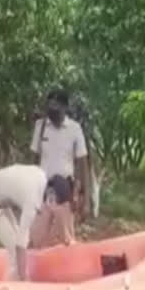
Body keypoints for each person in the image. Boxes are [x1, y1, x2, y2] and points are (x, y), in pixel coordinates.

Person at [0, 164, 59, 281]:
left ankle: (16, 282)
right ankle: (14, 289)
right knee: (15, 251)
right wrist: (25, 280)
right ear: (51, 197)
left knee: (16, 242)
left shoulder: (42, 176)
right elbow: (20, 245)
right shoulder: (32, 201)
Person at [30, 89, 90, 243]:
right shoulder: (40, 127)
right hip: (43, 190)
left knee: (66, 240)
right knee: (37, 239)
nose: (51, 109)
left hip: (64, 190)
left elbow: (83, 164)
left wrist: (85, 199)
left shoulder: (75, 128)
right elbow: (33, 160)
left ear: (65, 107)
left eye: (55, 106)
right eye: (49, 105)